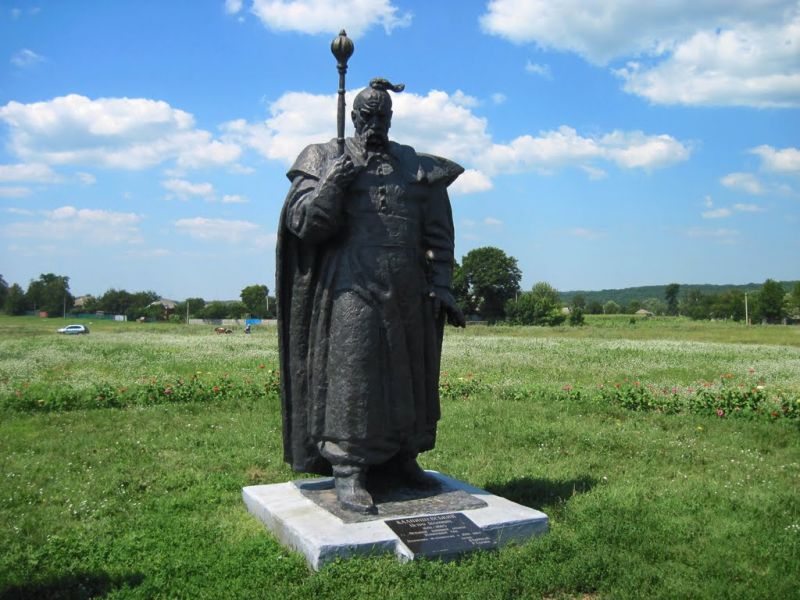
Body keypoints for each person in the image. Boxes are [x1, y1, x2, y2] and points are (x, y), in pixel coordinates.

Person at [277, 78, 465, 513]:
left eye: (383, 116)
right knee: (353, 371)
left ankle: (403, 456)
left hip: (407, 287)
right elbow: (303, 224)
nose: (375, 123)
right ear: (355, 116)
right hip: (351, 281)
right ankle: (348, 469)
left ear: (391, 118)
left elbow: (438, 233)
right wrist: (332, 184)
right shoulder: (324, 157)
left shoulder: (416, 166)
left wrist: (441, 284)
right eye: (367, 116)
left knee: (408, 375)